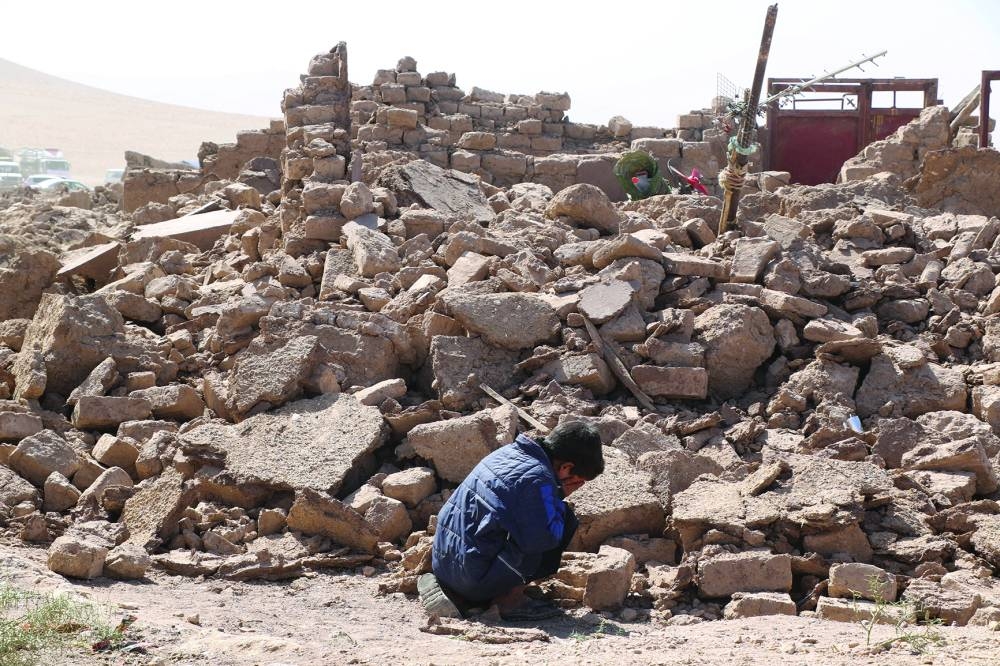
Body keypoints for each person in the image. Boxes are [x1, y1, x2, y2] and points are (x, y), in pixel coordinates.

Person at [419, 421, 604, 621]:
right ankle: (509, 601)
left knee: (527, 522)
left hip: (444, 563)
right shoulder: (538, 479)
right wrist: (557, 495)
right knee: (563, 521)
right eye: (579, 480)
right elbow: (544, 539)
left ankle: (462, 593)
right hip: (472, 579)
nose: (579, 486)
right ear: (566, 467)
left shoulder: (509, 452)